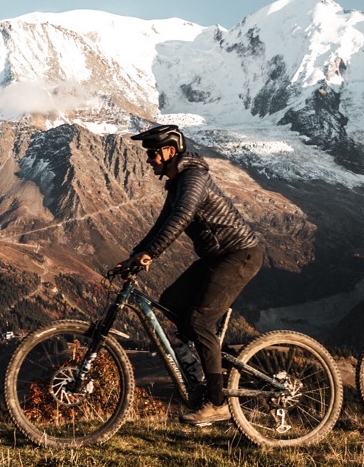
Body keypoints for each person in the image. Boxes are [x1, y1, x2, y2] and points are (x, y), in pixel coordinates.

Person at [113, 124, 264, 426]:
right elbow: (161, 224)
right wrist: (133, 255)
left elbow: (181, 218)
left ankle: (218, 403)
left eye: (153, 153)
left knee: (198, 320)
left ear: (170, 151)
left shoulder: (193, 178)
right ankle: (211, 371)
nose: (148, 159)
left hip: (239, 254)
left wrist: (150, 255)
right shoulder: (178, 182)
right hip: (215, 257)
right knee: (172, 301)